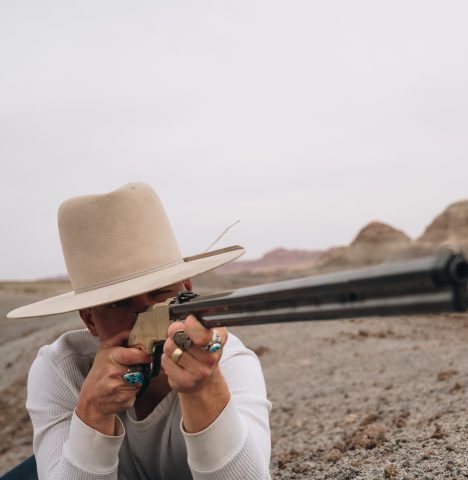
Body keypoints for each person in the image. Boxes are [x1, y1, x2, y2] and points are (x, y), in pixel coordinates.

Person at [8, 182, 272, 480]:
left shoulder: (225, 358)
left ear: (186, 290)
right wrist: (92, 413)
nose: (143, 315)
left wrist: (205, 390)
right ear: (89, 320)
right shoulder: (61, 368)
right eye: (117, 304)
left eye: (159, 294)